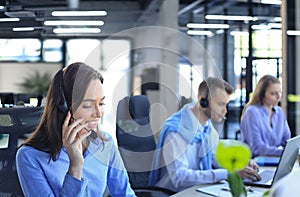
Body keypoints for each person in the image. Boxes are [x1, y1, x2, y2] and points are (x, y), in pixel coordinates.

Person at [16, 62, 136, 197]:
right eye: (88, 105)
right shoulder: (30, 156)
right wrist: (75, 166)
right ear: (64, 108)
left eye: (101, 103)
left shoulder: (104, 144)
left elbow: (125, 194)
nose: (98, 113)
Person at [149, 77, 261, 192]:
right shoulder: (176, 130)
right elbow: (179, 177)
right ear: (203, 102)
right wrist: (227, 173)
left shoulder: (206, 127)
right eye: (221, 104)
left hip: (198, 189)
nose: (225, 111)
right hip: (174, 193)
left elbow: (216, 158)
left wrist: (239, 164)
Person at [240, 75, 291, 157]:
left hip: (275, 160)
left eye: (280, 92)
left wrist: (291, 151)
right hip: (255, 163)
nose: (278, 97)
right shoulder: (252, 112)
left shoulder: (280, 112)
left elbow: (287, 141)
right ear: (262, 94)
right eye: (273, 93)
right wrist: (284, 152)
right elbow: (257, 148)